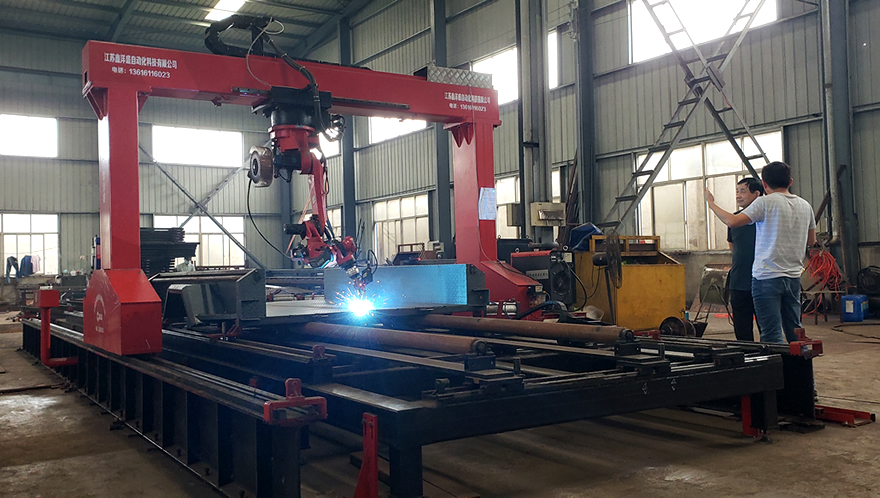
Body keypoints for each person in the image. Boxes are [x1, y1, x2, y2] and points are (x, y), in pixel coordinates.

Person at [706, 161, 816, 344]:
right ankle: (797, 363)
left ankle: (774, 363)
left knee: (771, 334)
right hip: (793, 278)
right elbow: (811, 241)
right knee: (795, 331)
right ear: (790, 181)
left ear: (764, 184)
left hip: (767, 278)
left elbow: (732, 221)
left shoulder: (765, 203)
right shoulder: (805, 206)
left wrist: (711, 204)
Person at [727, 178, 763, 341]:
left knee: (766, 327)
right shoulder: (733, 220)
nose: (738, 195)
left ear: (757, 194)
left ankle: (769, 354)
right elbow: (733, 246)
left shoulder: (766, 218)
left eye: (743, 191)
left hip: (762, 280)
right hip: (739, 280)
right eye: (737, 191)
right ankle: (746, 353)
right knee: (742, 327)